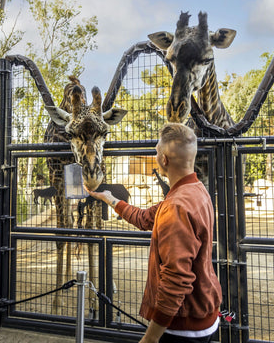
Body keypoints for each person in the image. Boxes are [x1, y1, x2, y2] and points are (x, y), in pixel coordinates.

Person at [86, 123, 221, 343]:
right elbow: (145, 218)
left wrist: (150, 338)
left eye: (157, 151)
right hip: (201, 315)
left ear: (164, 160)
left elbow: (176, 279)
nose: (155, 154)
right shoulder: (195, 190)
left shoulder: (176, 206)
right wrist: (109, 199)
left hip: (182, 325)